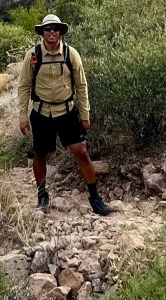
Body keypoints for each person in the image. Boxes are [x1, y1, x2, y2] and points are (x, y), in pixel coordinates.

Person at [17, 13, 111, 215]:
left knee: (82, 152)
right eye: (48, 29)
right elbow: (24, 86)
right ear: (42, 32)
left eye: (55, 28)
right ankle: (42, 196)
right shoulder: (32, 56)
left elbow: (81, 85)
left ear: (61, 31)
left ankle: (95, 198)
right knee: (40, 154)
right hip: (41, 114)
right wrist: (22, 117)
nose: (52, 32)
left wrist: (85, 114)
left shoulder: (71, 54)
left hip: (67, 112)